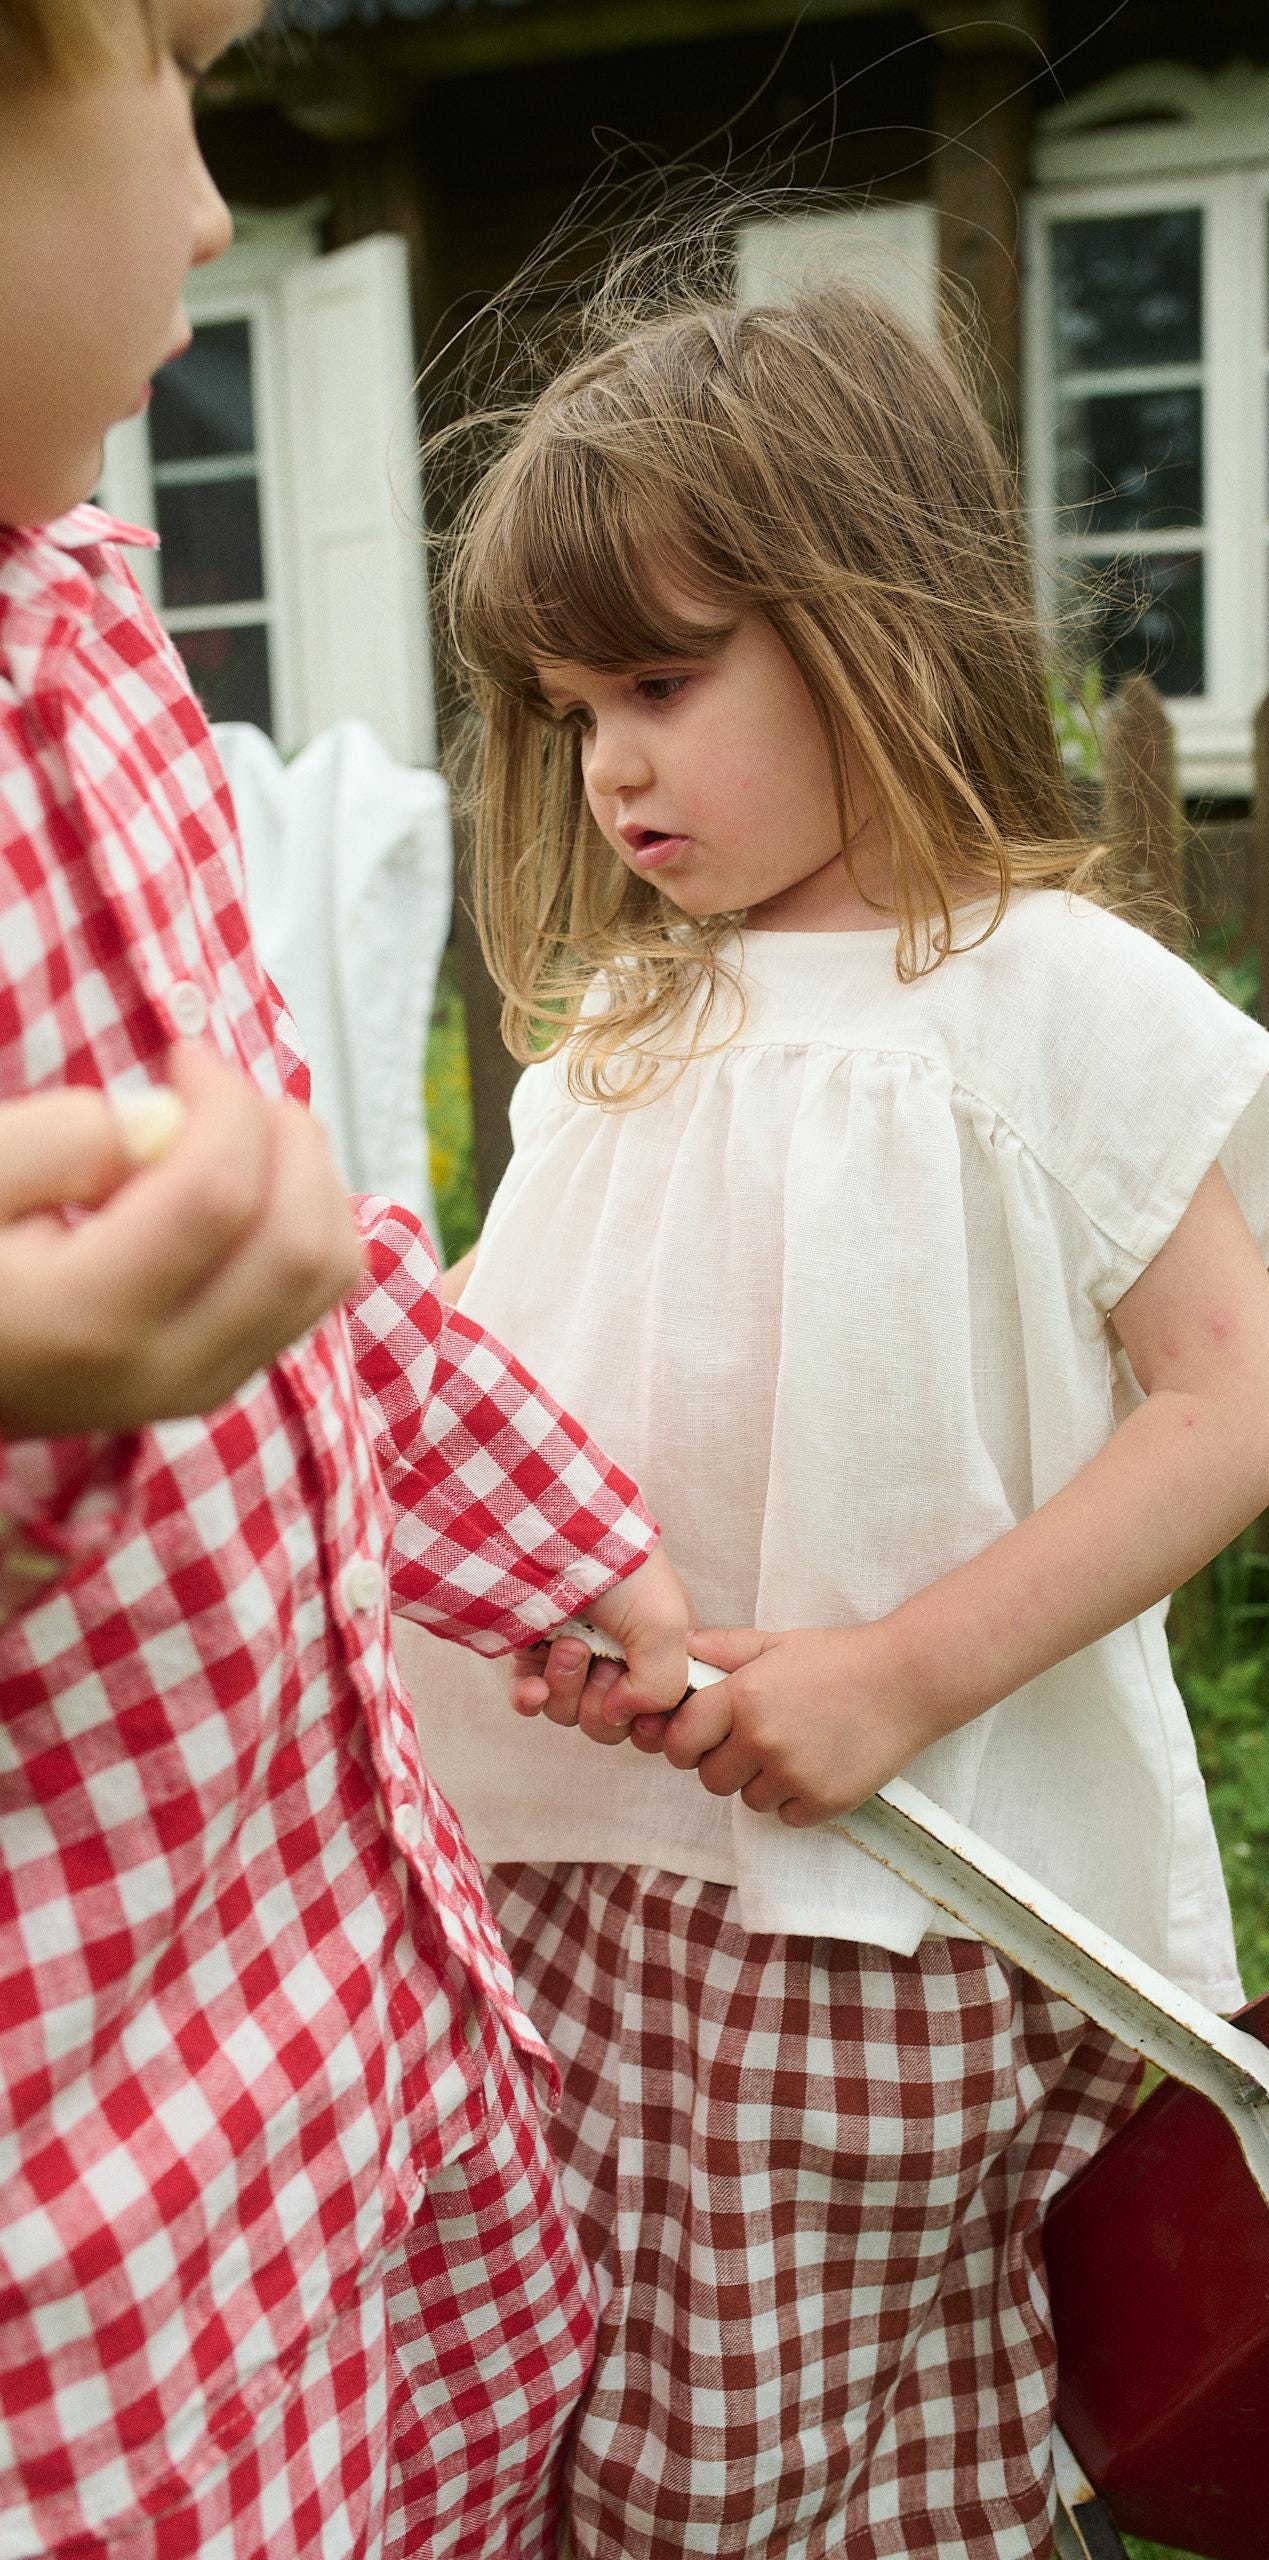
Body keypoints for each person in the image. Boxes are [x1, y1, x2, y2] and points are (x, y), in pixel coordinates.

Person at [402, 271, 1269, 2560]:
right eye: (563, 707)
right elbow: (545, 1409)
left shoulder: (1043, 997)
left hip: (893, 1883)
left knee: (786, 2429)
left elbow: (1235, 1403)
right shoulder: (623, 1035)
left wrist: (896, 1675)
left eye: (658, 681)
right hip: (584, 1869)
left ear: (870, 616)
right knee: (592, 2380)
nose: (607, 761)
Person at [0, 6, 691, 2554]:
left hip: (321, 2029)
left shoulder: (92, 642)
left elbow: (323, 1261)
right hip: (71, 2242)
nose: (209, 200)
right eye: (160, 77)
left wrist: (563, 1535)